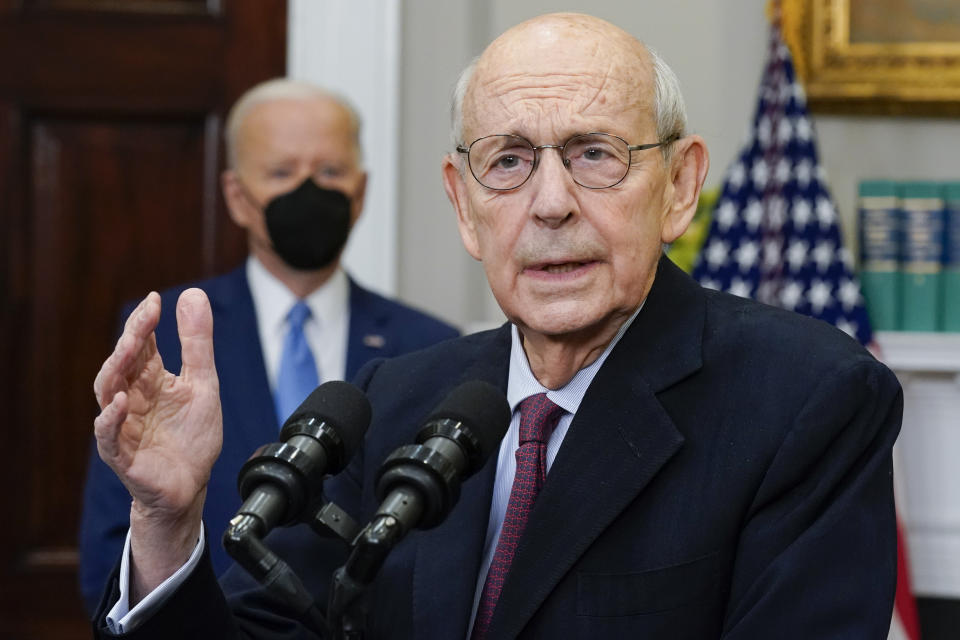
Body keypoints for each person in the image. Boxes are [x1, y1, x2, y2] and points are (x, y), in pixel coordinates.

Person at [88, 13, 902, 638]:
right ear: (464, 206)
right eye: (508, 161)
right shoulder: (394, 401)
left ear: (680, 186)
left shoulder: (806, 398)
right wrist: (166, 522)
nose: (549, 204)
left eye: (595, 153)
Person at [78, 78, 459, 614]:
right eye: (281, 173)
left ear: (361, 190)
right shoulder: (165, 334)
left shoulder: (431, 347)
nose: (308, 190)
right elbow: (110, 554)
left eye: (329, 172)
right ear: (237, 196)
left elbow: (444, 557)